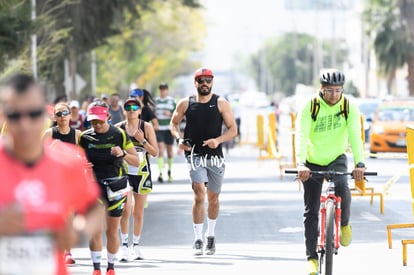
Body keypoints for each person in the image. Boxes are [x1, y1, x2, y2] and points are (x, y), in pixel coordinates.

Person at [0, 73, 101, 275]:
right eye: (15, 115)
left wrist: (78, 232)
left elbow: (95, 210)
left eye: (33, 114)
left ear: (45, 116)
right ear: (3, 116)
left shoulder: (67, 162)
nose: (24, 123)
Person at [295, 69, 366, 274]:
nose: (334, 95)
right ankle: (312, 259)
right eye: (330, 91)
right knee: (311, 211)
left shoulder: (348, 106)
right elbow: (301, 135)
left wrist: (359, 164)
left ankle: (344, 224)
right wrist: (301, 164)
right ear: (321, 89)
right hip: (312, 162)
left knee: (343, 186)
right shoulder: (310, 106)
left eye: (338, 90)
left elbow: (355, 135)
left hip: (336, 158)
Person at [170, 67, 237, 255]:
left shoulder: (221, 103)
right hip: (194, 154)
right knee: (199, 193)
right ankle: (198, 238)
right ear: (195, 83)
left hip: (215, 157)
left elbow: (232, 129)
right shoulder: (186, 103)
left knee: (213, 198)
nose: (205, 84)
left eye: (208, 80)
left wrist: (218, 140)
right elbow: (173, 123)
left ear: (212, 82)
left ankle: (210, 236)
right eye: (201, 80)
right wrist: (179, 139)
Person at [78, 101, 139, 275]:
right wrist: (82, 164)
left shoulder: (119, 134)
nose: (96, 125)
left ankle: (110, 268)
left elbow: (136, 160)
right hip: (93, 187)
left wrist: (123, 153)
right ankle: (96, 269)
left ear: (108, 117)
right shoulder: (84, 137)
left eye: (100, 121)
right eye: (93, 121)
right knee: (95, 230)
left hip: (115, 186)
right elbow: (76, 160)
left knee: (112, 230)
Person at [115, 97, 158, 262]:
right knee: (125, 209)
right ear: (124, 110)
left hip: (142, 173)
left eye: (135, 107)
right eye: (128, 107)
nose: (131, 109)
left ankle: (136, 245)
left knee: (138, 211)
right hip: (124, 172)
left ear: (140, 111)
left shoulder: (145, 127)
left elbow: (155, 153)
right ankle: (124, 246)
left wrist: (143, 141)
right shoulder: (118, 128)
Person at [44, 102, 82, 264]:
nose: (62, 116)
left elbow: (85, 156)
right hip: (52, 180)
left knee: (69, 214)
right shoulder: (48, 134)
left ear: (70, 115)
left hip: (70, 181)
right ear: (54, 117)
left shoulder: (78, 135)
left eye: (65, 113)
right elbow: (37, 156)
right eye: (58, 114)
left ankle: (67, 251)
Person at [155, 83, 176, 182]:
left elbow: (178, 114)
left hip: (169, 128)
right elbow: (152, 114)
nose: (163, 90)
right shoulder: (155, 101)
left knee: (170, 151)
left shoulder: (172, 101)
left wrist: (170, 114)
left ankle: (170, 171)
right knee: (160, 149)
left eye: (164, 89)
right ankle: (160, 173)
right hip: (159, 129)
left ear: (167, 90)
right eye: (161, 89)